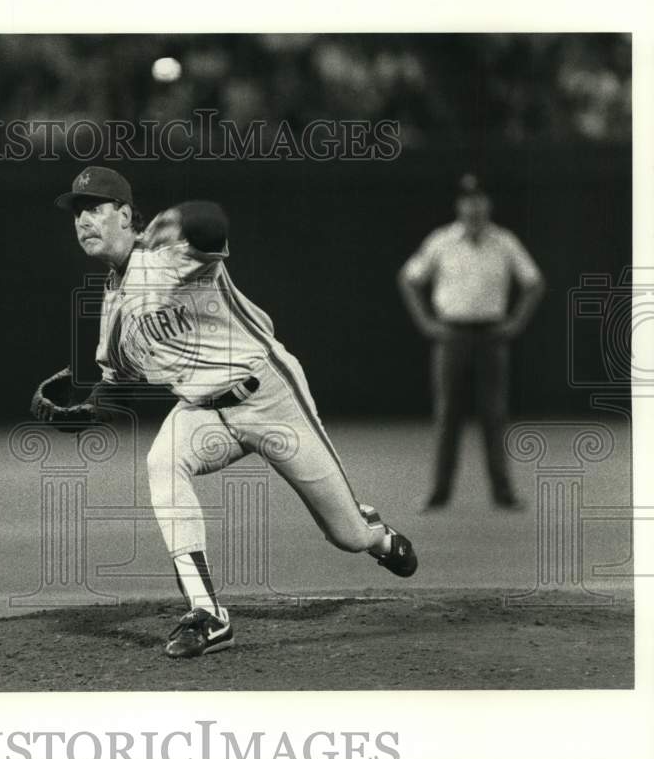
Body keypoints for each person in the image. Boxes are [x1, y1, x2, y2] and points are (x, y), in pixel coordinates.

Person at [32, 165, 417, 659]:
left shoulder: (170, 255)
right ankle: (208, 615)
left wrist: (182, 217)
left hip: (270, 397)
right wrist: (78, 417)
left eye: (94, 208)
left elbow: (213, 224)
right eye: (77, 213)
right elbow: (117, 388)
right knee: (162, 463)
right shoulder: (112, 306)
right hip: (204, 413)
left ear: (126, 214)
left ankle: (378, 537)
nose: (82, 220)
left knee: (346, 535)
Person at [398, 174, 545, 512]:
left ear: (488, 204)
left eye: (479, 199)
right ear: (459, 205)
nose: (474, 206)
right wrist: (425, 322)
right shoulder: (442, 241)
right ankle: (439, 492)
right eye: (468, 200)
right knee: (448, 414)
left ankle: (503, 492)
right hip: (453, 334)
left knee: (494, 414)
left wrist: (516, 322)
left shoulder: (504, 242)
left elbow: (533, 282)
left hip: (491, 334)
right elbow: (410, 278)